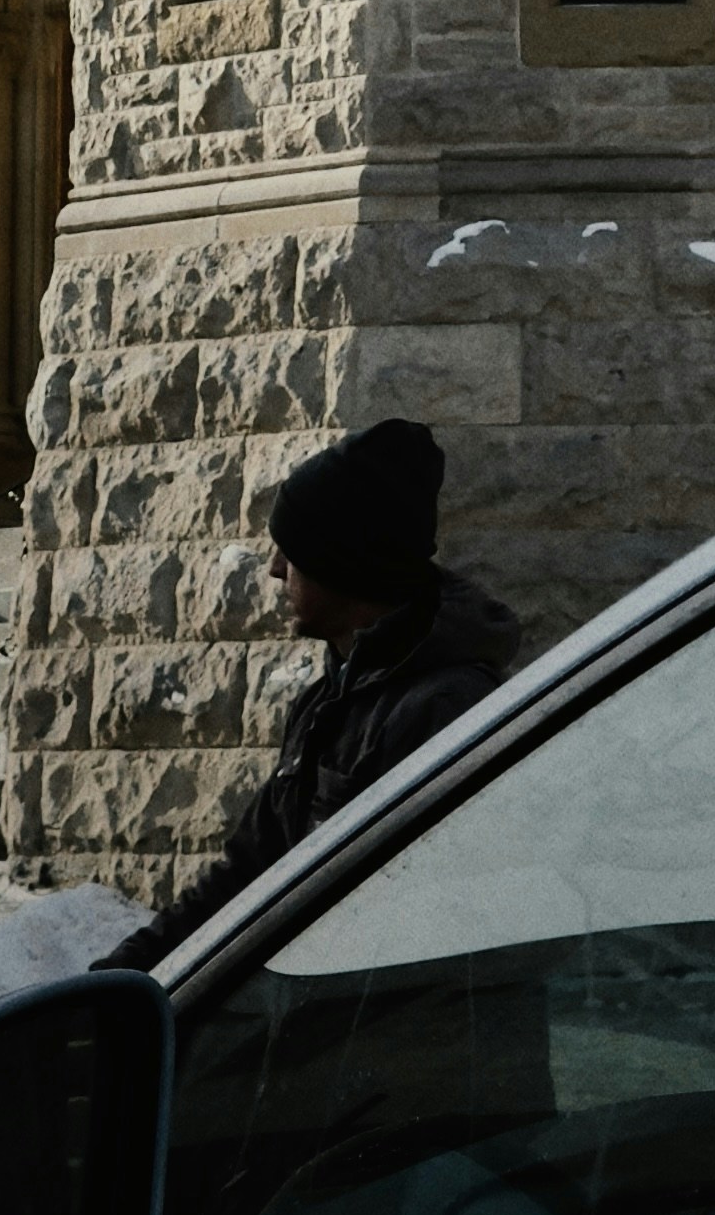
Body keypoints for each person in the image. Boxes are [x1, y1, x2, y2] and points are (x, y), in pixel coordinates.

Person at [95, 415, 519, 969]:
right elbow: (249, 871)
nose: (273, 570)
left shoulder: (442, 710)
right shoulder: (333, 698)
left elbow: (387, 931)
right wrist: (122, 978)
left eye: (291, 553)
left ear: (345, 564)